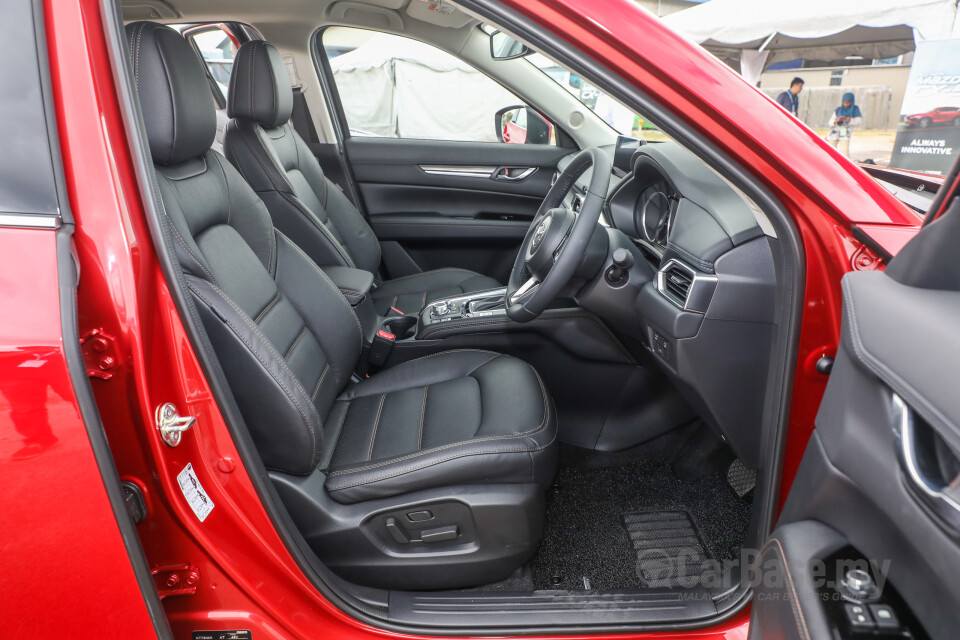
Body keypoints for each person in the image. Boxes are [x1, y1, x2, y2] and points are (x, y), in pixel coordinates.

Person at [827, 92, 863, 158]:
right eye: (844, 102)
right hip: (834, 133)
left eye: (848, 103)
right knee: (830, 152)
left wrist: (849, 120)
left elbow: (859, 121)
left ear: (851, 102)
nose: (845, 104)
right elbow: (830, 122)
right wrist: (835, 121)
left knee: (844, 153)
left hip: (845, 132)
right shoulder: (838, 109)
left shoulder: (855, 109)